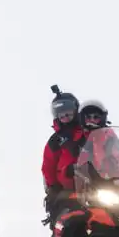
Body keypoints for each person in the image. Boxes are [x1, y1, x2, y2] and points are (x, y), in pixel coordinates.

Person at [41, 88, 86, 217]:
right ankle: (60, 235)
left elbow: (114, 152)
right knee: (65, 220)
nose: (65, 118)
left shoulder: (89, 132)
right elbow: (48, 166)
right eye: (61, 115)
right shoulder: (56, 140)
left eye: (68, 114)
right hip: (68, 190)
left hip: (97, 186)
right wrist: (53, 188)